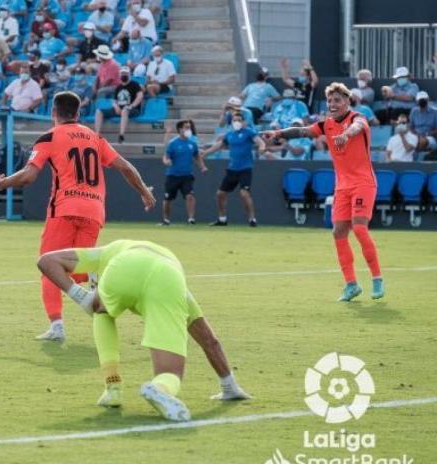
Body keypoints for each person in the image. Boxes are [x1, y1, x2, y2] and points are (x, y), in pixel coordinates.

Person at [0, 92, 156, 342]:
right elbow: (124, 166)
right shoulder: (94, 137)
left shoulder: (49, 137)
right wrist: (144, 192)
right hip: (94, 211)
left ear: (53, 113)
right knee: (79, 266)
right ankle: (96, 277)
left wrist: (3, 183)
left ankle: (57, 326)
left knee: (49, 265)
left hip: (65, 209)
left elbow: (28, 175)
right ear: (78, 113)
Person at [36, 239, 251, 421]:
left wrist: (82, 298)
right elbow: (208, 340)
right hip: (168, 278)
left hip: (122, 269)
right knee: (170, 374)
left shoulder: (104, 256)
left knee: (101, 312)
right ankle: (160, 388)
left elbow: (47, 261)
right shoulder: (176, 285)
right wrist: (229, 385)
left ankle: (113, 387)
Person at [264, 83, 385, 301]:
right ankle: (351, 285)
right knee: (338, 232)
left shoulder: (358, 118)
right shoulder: (326, 124)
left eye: (337, 100)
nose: (333, 104)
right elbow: (302, 131)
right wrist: (277, 132)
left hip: (364, 183)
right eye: (330, 101)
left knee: (359, 228)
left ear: (347, 101)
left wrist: (347, 135)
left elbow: (357, 128)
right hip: (342, 186)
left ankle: (377, 279)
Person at [202, 112, 266, 227]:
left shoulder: (249, 132)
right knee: (220, 194)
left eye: (239, 120)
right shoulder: (229, 135)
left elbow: (260, 142)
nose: (237, 122)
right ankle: (222, 219)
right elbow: (218, 145)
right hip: (232, 169)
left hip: (245, 168)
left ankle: (252, 219)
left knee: (244, 194)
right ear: (231, 122)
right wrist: (205, 153)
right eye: (234, 120)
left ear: (243, 122)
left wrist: (262, 147)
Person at [162, 119, 207, 226]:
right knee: (168, 199)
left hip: (187, 176)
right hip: (173, 176)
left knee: (190, 196)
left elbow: (197, 156)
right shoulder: (173, 143)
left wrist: (202, 167)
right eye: (186, 127)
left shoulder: (192, 144)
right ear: (180, 129)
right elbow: (166, 157)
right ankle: (166, 220)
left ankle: (191, 219)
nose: (189, 129)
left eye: (189, 127)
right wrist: (166, 161)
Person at [95, 67, 143, 143]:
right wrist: (116, 106)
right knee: (99, 111)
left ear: (129, 74)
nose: (123, 75)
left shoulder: (135, 84)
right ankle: (97, 134)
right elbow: (115, 100)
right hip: (119, 109)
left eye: (125, 73)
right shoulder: (119, 87)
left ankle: (121, 135)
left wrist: (131, 106)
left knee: (125, 110)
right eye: (122, 73)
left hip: (133, 109)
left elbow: (140, 96)